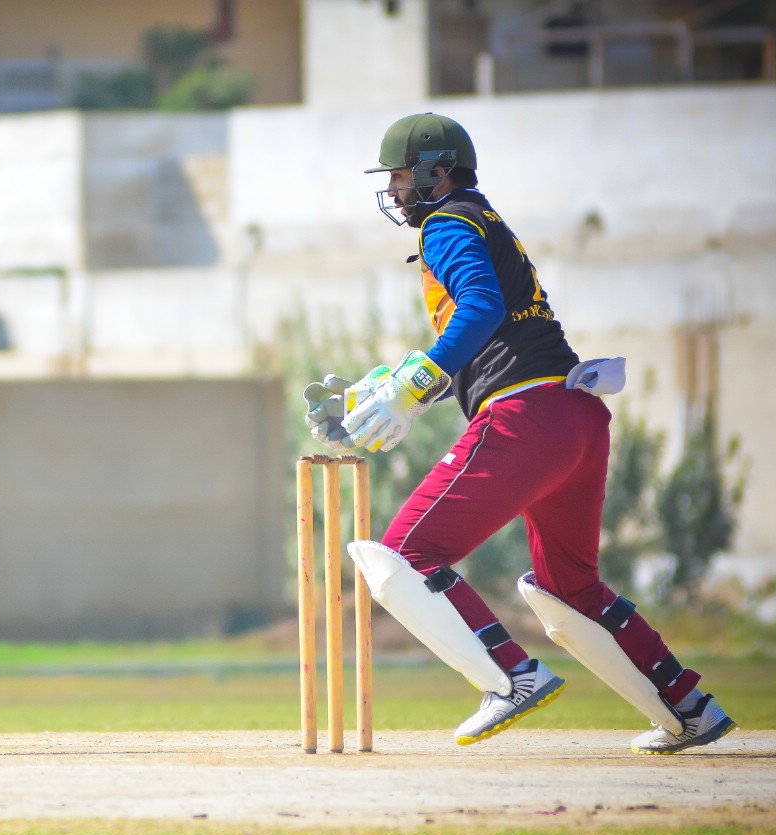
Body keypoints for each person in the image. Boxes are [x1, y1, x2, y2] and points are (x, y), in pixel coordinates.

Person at [303, 112, 733, 755]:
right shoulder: (483, 219)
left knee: (404, 554)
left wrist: (415, 385)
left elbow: (482, 309)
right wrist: (388, 387)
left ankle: (510, 676)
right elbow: (492, 338)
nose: (394, 190)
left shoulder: (447, 223)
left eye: (400, 176)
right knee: (572, 588)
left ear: (435, 171)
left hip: (524, 418)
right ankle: (689, 707)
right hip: (574, 416)